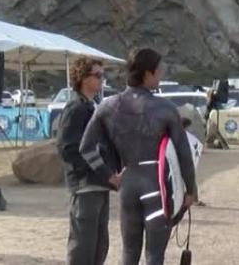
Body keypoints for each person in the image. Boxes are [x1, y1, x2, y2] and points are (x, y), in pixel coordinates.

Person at [80, 48, 197, 265]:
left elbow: (86, 147)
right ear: (147, 74)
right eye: (158, 71)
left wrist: (109, 176)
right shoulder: (165, 108)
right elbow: (183, 153)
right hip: (156, 187)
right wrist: (190, 191)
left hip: (128, 186)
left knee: (129, 253)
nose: (160, 76)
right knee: (154, 255)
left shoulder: (108, 106)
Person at [58, 58, 118, 265]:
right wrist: (98, 171)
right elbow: (68, 148)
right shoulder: (76, 108)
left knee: (99, 246)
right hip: (85, 185)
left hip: (99, 185)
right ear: (83, 78)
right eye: (97, 75)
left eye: (103, 75)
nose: (102, 79)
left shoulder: (91, 106)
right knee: (83, 246)